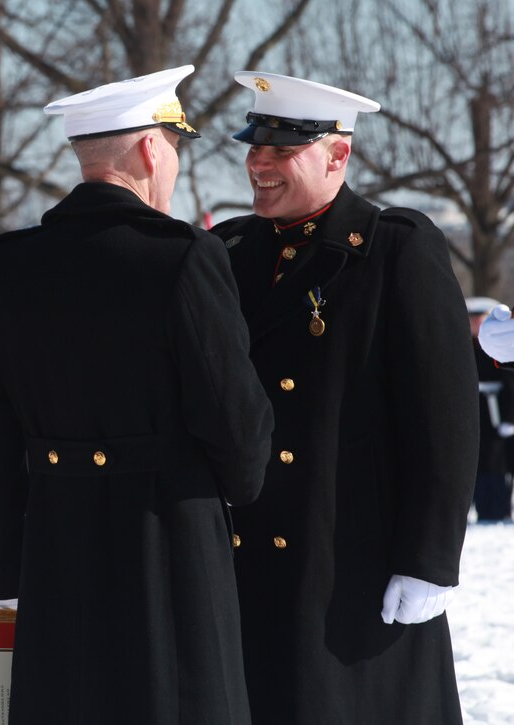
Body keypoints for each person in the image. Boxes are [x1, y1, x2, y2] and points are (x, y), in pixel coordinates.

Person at [0, 65, 273, 723]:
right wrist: (241, 484)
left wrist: (3, 573)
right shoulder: (183, 256)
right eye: (175, 146)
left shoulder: (4, 265)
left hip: (52, 553)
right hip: (170, 551)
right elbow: (237, 430)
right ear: (152, 149)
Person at [210, 71, 478, 724]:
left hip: (350, 561)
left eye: (281, 149)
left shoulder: (393, 250)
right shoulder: (230, 251)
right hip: (246, 554)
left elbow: (442, 416)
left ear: (338, 154)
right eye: (254, 144)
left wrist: (429, 559)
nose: (259, 162)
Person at [467, 296, 514, 521]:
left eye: (480, 319)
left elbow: (510, 383)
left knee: (497, 463)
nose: (476, 324)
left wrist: (510, 417)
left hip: (497, 413)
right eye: (472, 319)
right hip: (474, 414)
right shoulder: (465, 346)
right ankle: (482, 506)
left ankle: (498, 507)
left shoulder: (497, 344)